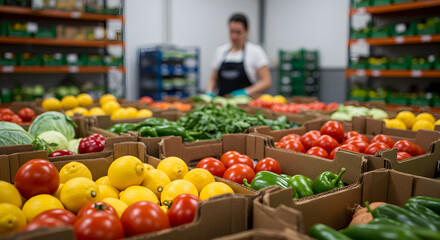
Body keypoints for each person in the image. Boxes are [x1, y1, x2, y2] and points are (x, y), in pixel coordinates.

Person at [206, 13, 272, 97]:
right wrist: (209, 92)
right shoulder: (220, 51)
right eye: (232, 31)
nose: (234, 36)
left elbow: (266, 82)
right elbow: (213, 78)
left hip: (246, 105)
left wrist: (246, 92)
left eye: (238, 32)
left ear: (246, 31)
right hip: (221, 104)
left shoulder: (256, 51)